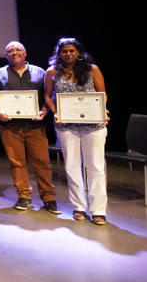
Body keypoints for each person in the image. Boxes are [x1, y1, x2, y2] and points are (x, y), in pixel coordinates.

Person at [0, 41, 59, 213]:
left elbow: (49, 95)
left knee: (42, 163)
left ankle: (49, 198)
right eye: (10, 51)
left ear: (25, 53)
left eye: (18, 50)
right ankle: (24, 196)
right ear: (6, 55)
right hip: (10, 127)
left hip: (35, 126)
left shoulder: (40, 73)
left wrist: (44, 110)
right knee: (17, 163)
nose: (14, 53)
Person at [44, 38, 107, 224]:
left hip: (93, 125)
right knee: (72, 167)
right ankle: (79, 206)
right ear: (59, 53)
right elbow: (48, 97)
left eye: (72, 51)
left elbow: (102, 95)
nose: (68, 54)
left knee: (95, 167)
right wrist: (56, 113)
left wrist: (102, 111)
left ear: (78, 52)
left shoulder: (92, 69)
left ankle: (98, 209)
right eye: (64, 51)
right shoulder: (52, 72)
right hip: (66, 125)